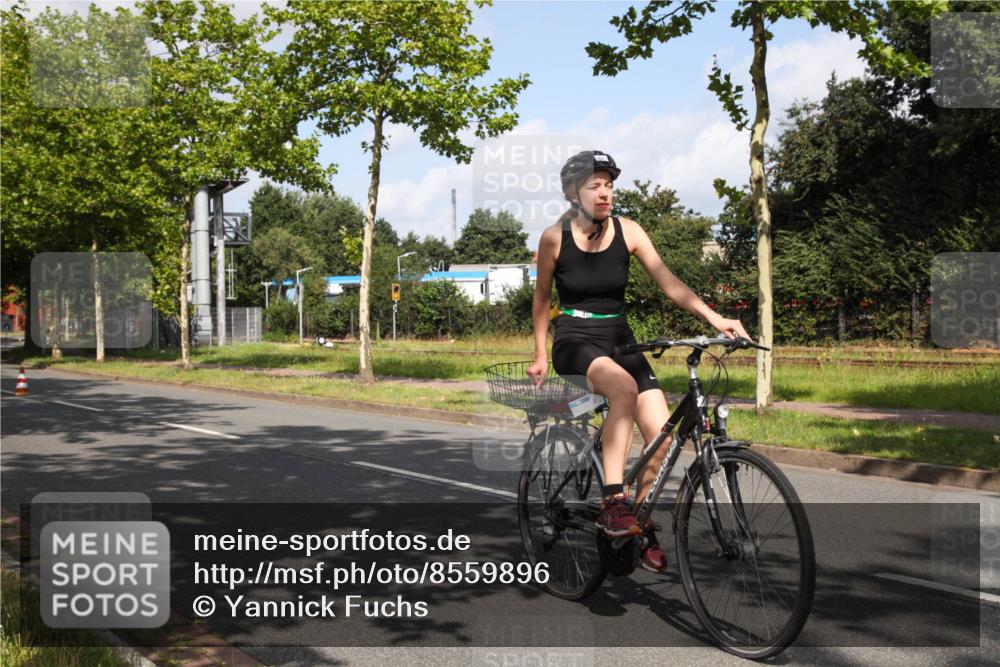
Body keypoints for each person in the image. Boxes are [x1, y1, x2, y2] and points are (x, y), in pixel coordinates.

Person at [526, 150, 750, 573]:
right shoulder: (555, 237)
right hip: (575, 339)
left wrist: (716, 319)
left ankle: (640, 526)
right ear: (572, 193)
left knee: (661, 439)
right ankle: (614, 502)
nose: (605, 193)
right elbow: (541, 300)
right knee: (623, 389)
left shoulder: (629, 231)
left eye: (609, 184)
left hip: (620, 338)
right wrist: (540, 354)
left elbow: (670, 283)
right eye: (595, 185)